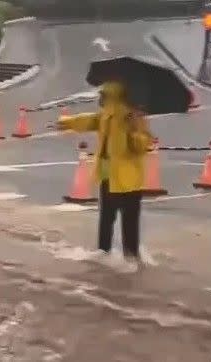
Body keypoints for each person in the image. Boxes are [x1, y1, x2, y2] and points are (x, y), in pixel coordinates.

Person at [56, 81, 154, 272]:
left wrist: (134, 127)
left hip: (129, 181)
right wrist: (66, 122)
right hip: (108, 176)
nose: (100, 99)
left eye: (103, 95)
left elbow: (142, 146)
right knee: (106, 218)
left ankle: (131, 258)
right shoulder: (106, 116)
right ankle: (104, 253)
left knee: (130, 222)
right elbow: (89, 120)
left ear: (113, 97)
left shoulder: (133, 116)